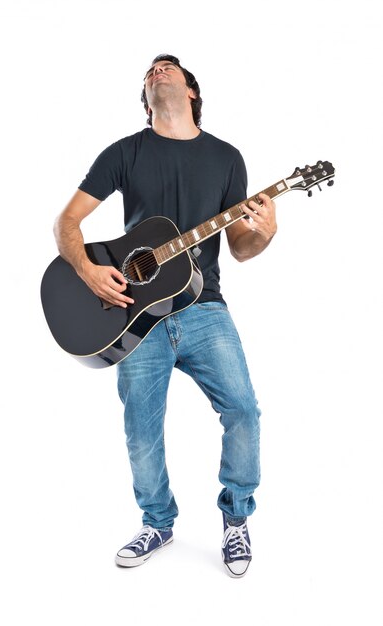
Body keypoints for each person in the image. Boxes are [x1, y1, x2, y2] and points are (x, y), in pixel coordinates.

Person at [53, 54, 277, 578]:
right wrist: (87, 270)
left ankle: (236, 516)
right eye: (150, 70)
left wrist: (265, 232)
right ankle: (158, 520)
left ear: (191, 91)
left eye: (168, 66)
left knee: (244, 409)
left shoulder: (227, 157)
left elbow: (241, 248)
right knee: (141, 430)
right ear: (145, 96)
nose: (157, 70)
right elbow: (67, 221)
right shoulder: (125, 152)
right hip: (135, 318)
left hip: (205, 309)